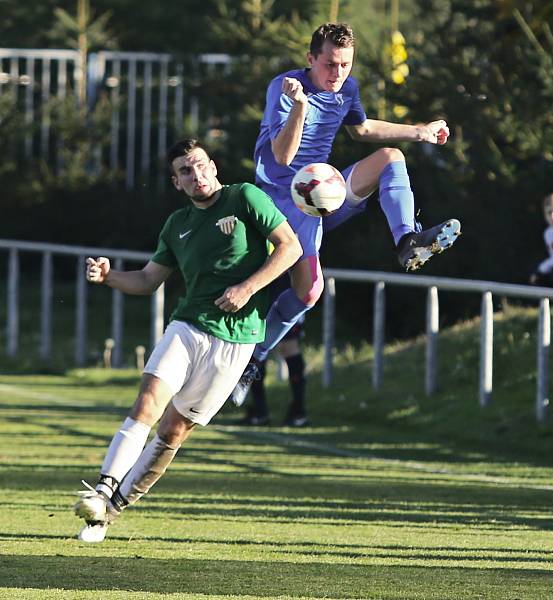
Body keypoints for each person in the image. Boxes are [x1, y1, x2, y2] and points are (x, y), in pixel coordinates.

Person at [72, 139, 302, 543]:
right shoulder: (176, 224)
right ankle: (103, 488)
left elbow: (291, 247)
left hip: (238, 339)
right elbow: (147, 279)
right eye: (185, 171)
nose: (195, 176)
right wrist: (109, 276)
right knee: (148, 400)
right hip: (189, 326)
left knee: (173, 432)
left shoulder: (245, 197)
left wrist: (248, 288)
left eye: (199, 166)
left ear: (212, 166)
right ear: (176, 182)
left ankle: (106, 515)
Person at [230, 22, 461, 405]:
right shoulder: (284, 88)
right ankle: (253, 358)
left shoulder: (346, 89)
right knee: (309, 293)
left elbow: (363, 129)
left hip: (319, 194)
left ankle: (407, 240)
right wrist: (301, 105)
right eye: (331, 64)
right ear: (311, 59)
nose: (338, 73)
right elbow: (283, 156)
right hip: (277, 202)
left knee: (392, 158)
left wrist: (419, 130)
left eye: (346, 65)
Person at [240, 273, 309, 427]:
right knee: (256, 346)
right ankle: (259, 409)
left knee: (289, 347)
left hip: (287, 293)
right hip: (263, 292)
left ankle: (299, 410)